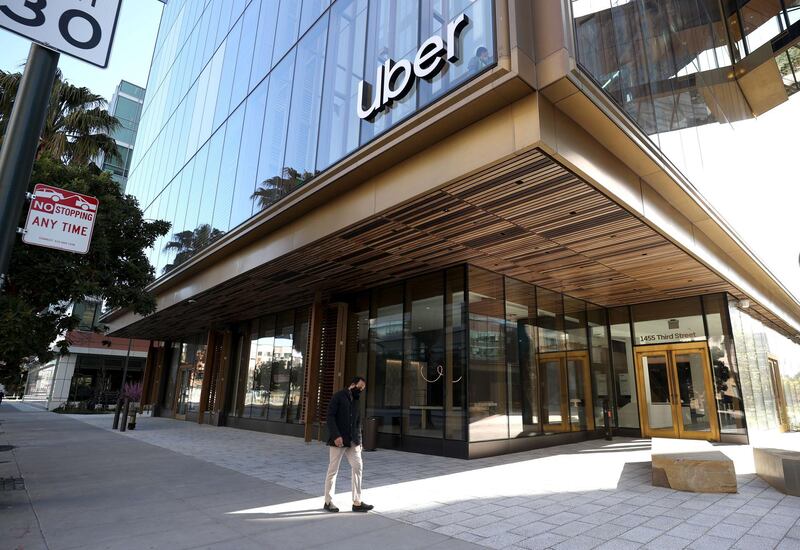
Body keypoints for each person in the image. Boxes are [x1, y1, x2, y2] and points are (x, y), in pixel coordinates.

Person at [323, 376, 373, 513]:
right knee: (333, 470)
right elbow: (330, 417)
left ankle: (357, 503)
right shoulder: (338, 396)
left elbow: (358, 423)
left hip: (353, 441)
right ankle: (328, 501)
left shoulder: (357, 401)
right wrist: (336, 435)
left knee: (358, 467)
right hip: (338, 440)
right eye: (360, 387)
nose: (361, 390)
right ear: (352, 384)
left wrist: (360, 442)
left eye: (363, 389)